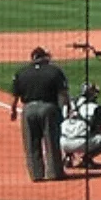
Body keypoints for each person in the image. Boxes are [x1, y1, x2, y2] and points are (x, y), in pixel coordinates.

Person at [10, 47, 69, 182]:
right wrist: (66, 109)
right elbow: (63, 94)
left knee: (31, 143)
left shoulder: (22, 72)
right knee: (51, 141)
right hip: (48, 108)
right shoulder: (55, 71)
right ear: (44, 57)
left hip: (28, 110)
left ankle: (36, 175)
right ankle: (55, 173)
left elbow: (15, 96)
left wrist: (13, 111)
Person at [60, 81, 101, 169]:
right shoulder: (95, 108)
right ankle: (87, 159)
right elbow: (99, 129)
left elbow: (61, 122)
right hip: (82, 143)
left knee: (67, 129)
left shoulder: (69, 104)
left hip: (63, 143)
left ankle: (67, 157)